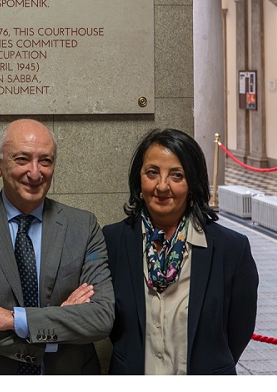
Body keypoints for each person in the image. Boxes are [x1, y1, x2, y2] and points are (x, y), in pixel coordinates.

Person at [0, 119, 114, 374]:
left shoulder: (83, 226)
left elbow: (101, 318)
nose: (35, 173)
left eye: (45, 161)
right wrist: (56, 326)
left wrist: (13, 320)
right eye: (22, 159)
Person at [102, 128, 259, 375]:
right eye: (152, 173)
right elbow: (114, 326)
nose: (162, 186)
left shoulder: (231, 249)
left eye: (177, 175)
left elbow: (239, 330)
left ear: (193, 184)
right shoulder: (113, 241)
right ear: (138, 178)